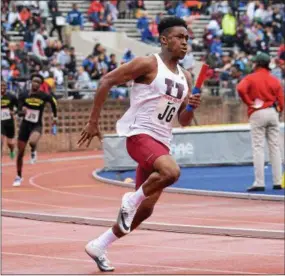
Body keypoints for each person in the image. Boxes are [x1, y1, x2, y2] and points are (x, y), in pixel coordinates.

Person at [78, 17, 201, 272]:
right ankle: (130, 199)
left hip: (161, 143)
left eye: (187, 38)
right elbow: (106, 81)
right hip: (139, 135)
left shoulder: (186, 77)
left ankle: (99, 245)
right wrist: (93, 122)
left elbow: (184, 121)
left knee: (144, 211)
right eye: (179, 37)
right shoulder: (147, 63)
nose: (185, 43)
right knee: (171, 172)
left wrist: (190, 106)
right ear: (165, 39)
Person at [237, 52, 284, 192]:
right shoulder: (274, 79)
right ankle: (277, 181)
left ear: (257, 63)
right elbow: (281, 99)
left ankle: (260, 182)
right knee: (275, 147)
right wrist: (279, 112)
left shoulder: (250, 78)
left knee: (258, 147)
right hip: (272, 111)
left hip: (257, 112)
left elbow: (240, 89)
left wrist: (249, 103)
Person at [13, 74, 58, 187]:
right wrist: (21, 112)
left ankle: (33, 151)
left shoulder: (43, 96)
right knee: (20, 153)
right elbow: (18, 110)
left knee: (33, 141)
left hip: (36, 125)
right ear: (31, 82)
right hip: (25, 126)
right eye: (34, 81)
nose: (36, 83)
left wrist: (55, 116)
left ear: (40, 84)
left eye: (38, 82)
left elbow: (53, 102)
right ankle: (18, 176)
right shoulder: (23, 95)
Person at [1, 80, 18, 159]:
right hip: (1, 122)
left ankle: (11, 150)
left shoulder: (11, 96)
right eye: (1, 86)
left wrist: (14, 112)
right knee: (1, 139)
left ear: (6, 87)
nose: (2, 88)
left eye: (4, 86)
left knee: (10, 143)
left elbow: (19, 107)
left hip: (9, 121)